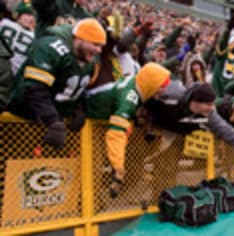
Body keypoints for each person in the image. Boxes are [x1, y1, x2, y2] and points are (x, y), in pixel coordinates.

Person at [9, 18, 106, 148]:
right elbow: (34, 87)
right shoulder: (51, 47)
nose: (99, 50)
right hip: (22, 121)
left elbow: (77, 88)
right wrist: (53, 120)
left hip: (52, 126)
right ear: (79, 39)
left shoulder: (89, 61)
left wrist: (79, 108)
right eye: (95, 44)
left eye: (101, 46)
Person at [86, 62, 171, 198]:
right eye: (161, 87)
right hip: (87, 126)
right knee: (93, 169)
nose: (163, 91)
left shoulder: (136, 85)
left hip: (96, 124)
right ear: (151, 83)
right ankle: (90, 202)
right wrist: (118, 167)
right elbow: (116, 133)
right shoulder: (129, 98)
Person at [0, 0, 35, 75]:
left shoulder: (4, 22)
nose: (31, 19)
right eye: (28, 15)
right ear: (18, 14)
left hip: (13, 75)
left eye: (33, 16)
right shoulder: (4, 23)